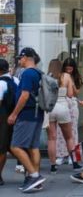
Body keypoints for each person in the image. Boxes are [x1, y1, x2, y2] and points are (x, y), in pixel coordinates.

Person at [9, 47, 46, 192]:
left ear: (26, 57)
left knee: (15, 146)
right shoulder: (38, 72)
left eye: (20, 58)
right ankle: (35, 181)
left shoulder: (28, 73)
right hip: (38, 114)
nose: (19, 60)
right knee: (33, 147)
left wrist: (14, 114)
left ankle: (34, 176)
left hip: (27, 115)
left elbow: (24, 96)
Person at [45, 59, 80, 173]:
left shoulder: (46, 77)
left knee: (51, 138)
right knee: (69, 137)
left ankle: (53, 166)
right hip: (62, 107)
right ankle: (75, 163)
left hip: (50, 108)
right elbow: (70, 94)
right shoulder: (66, 76)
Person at [54, 59, 82, 169]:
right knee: (60, 131)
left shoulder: (76, 77)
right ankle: (61, 155)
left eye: (71, 67)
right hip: (62, 103)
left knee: (73, 131)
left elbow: (75, 93)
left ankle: (73, 155)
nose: (69, 69)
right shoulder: (60, 76)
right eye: (67, 67)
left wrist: (72, 83)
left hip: (71, 104)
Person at [0, 58, 18, 186]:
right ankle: (32, 172)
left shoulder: (0, 83)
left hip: (2, 118)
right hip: (14, 117)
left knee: (1, 149)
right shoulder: (15, 80)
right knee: (11, 147)